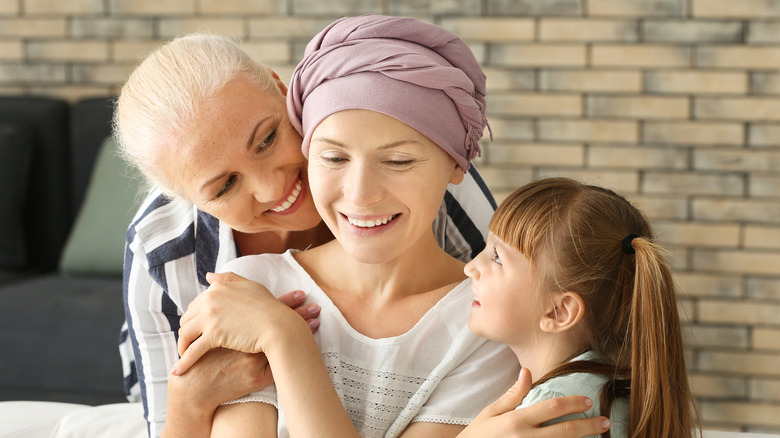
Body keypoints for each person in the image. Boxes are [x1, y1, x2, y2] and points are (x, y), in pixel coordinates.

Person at [170, 15, 612, 438]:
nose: (361, 194)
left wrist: (285, 338)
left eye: (398, 161)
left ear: (457, 165)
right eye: (333, 158)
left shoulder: (484, 324)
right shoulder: (253, 289)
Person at [114, 30, 496, 437]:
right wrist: (189, 397)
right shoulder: (164, 252)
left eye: (267, 140)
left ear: (282, 92)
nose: (272, 188)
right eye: (225, 186)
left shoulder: (431, 176)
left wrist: (283, 335)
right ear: (190, 199)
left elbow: (505, 296)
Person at [463, 177, 701, 437]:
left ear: (559, 311)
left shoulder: (555, 408)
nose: (470, 267)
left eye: (497, 258)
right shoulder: (610, 389)